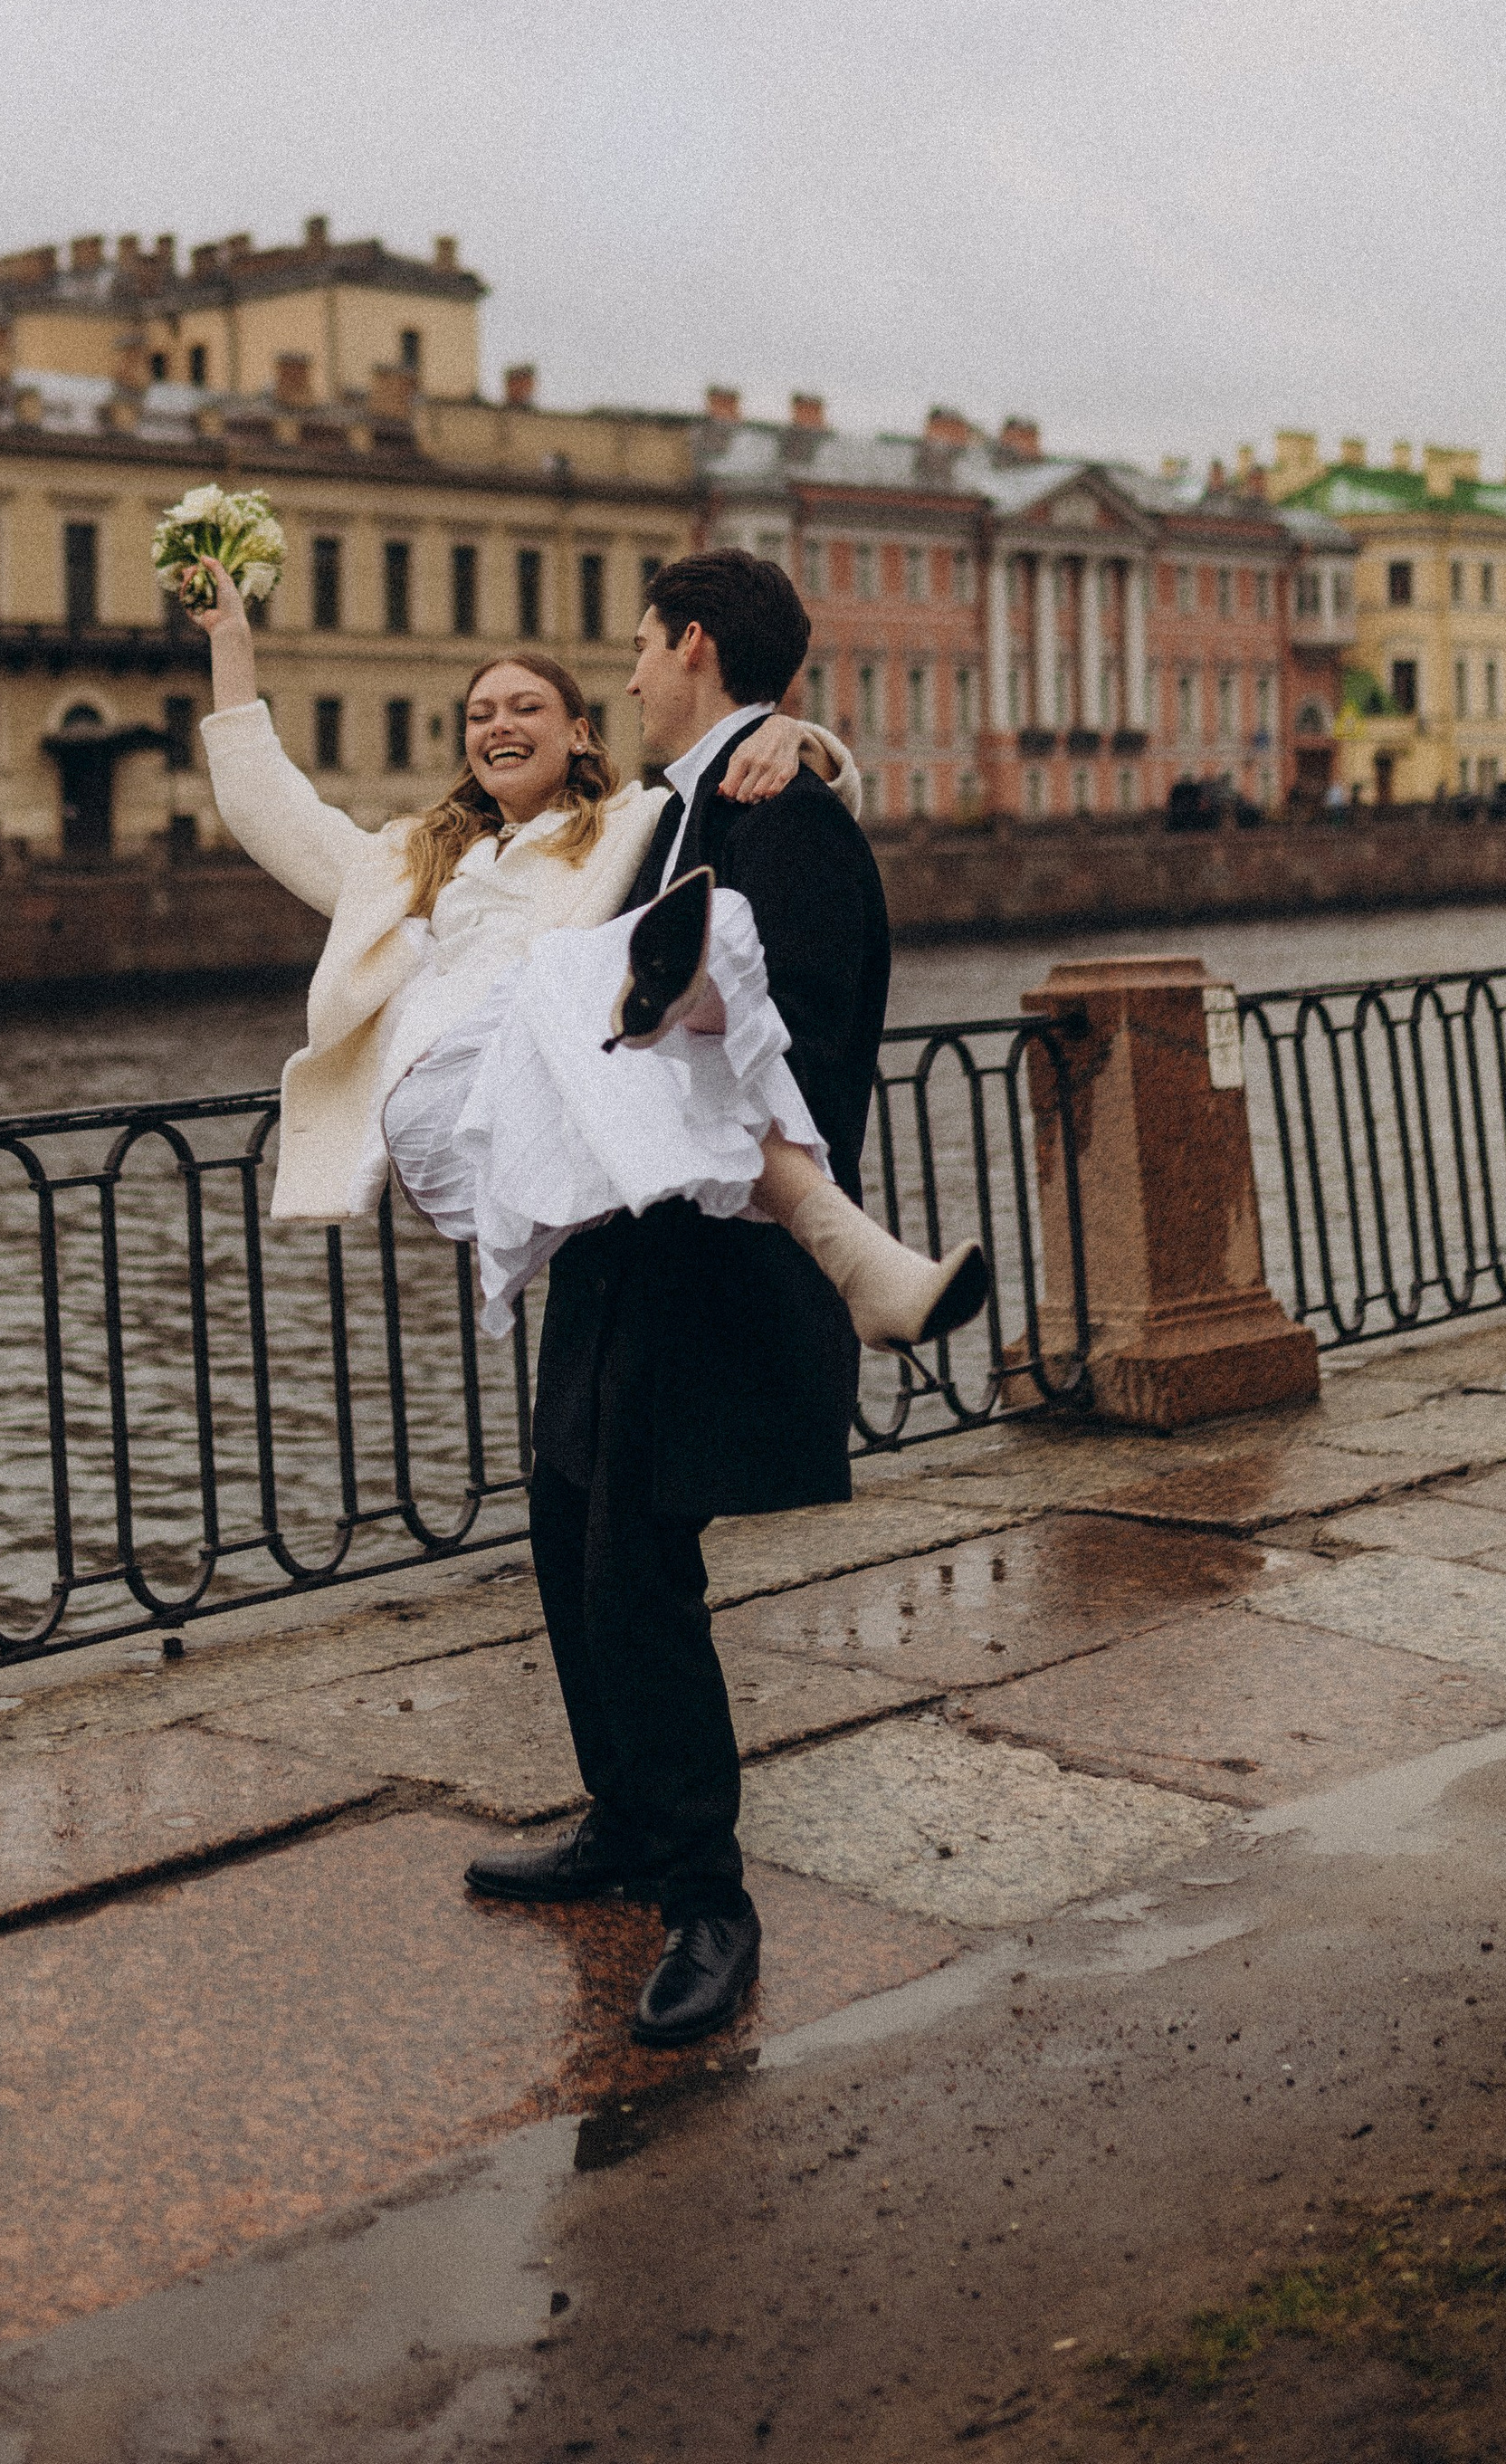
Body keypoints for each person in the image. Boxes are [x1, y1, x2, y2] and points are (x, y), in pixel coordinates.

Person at [452, 549, 896, 2046]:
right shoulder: (664, 807)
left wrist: (818, 743)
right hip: (613, 1239)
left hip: (705, 1252)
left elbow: (811, 1041)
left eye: (641, 650)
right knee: (569, 1522)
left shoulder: (790, 814)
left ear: (695, 646)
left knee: (641, 1563)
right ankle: (628, 1824)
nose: (627, 678)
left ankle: (710, 1902)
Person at [192, 565, 982, 1349]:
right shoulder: (416, 860)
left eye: (525, 707)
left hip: (564, 1091)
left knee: (709, 978)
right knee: (571, 971)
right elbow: (271, 809)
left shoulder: (630, 826)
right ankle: (685, 1017)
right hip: (446, 1100)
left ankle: (862, 1262)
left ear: (579, 734)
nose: (497, 724)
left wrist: (791, 733)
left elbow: (750, 813)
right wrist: (231, 640)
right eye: (479, 714)